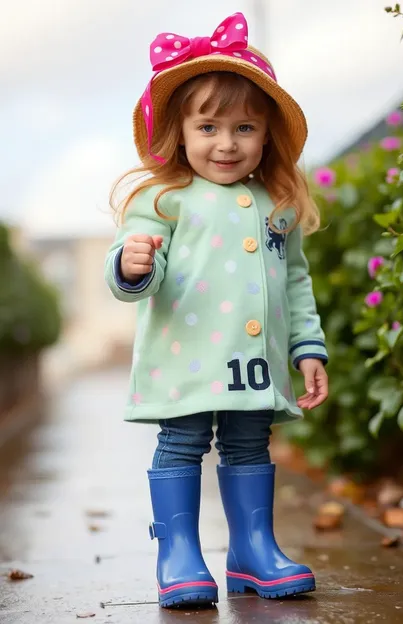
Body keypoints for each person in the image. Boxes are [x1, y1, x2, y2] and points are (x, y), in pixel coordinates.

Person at [105, 11, 329, 609]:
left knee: (249, 444)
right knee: (181, 443)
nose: (226, 143)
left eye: (245, 127)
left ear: (266, 136)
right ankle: (177, 552)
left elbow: (296, 281)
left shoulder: (275, 202)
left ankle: (254, 549)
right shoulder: (164, 198)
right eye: (208, 126)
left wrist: (307, 347)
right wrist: (132, 265)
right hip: (185, 358)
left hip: (252, 363)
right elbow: (134, 280)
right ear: (179, 130)